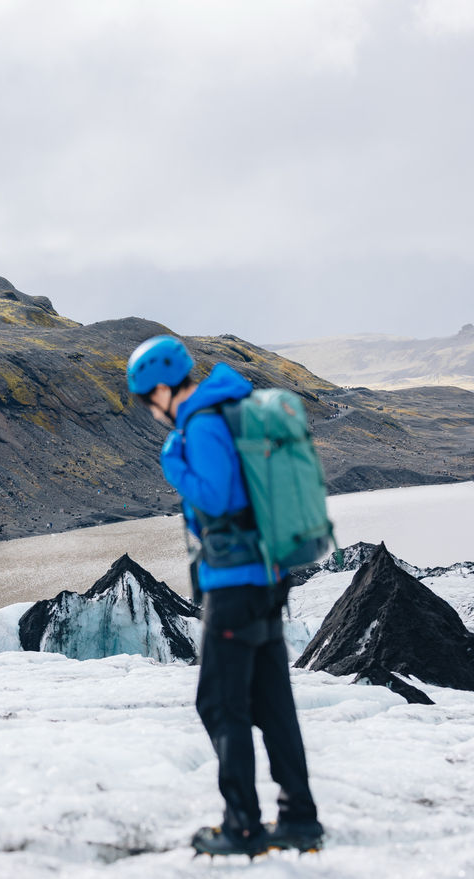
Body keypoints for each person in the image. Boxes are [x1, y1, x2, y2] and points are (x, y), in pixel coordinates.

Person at [126, 334, 323, 859]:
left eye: (149, 401)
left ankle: (242, 828)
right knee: (273, 702)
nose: (151, 413)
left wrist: (173, 462)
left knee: (220, 702)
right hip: (264, 576)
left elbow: (214, 495)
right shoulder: (228, 411)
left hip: (235, 584)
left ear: (164, 390)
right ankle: (300, 819)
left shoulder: (204, 424)